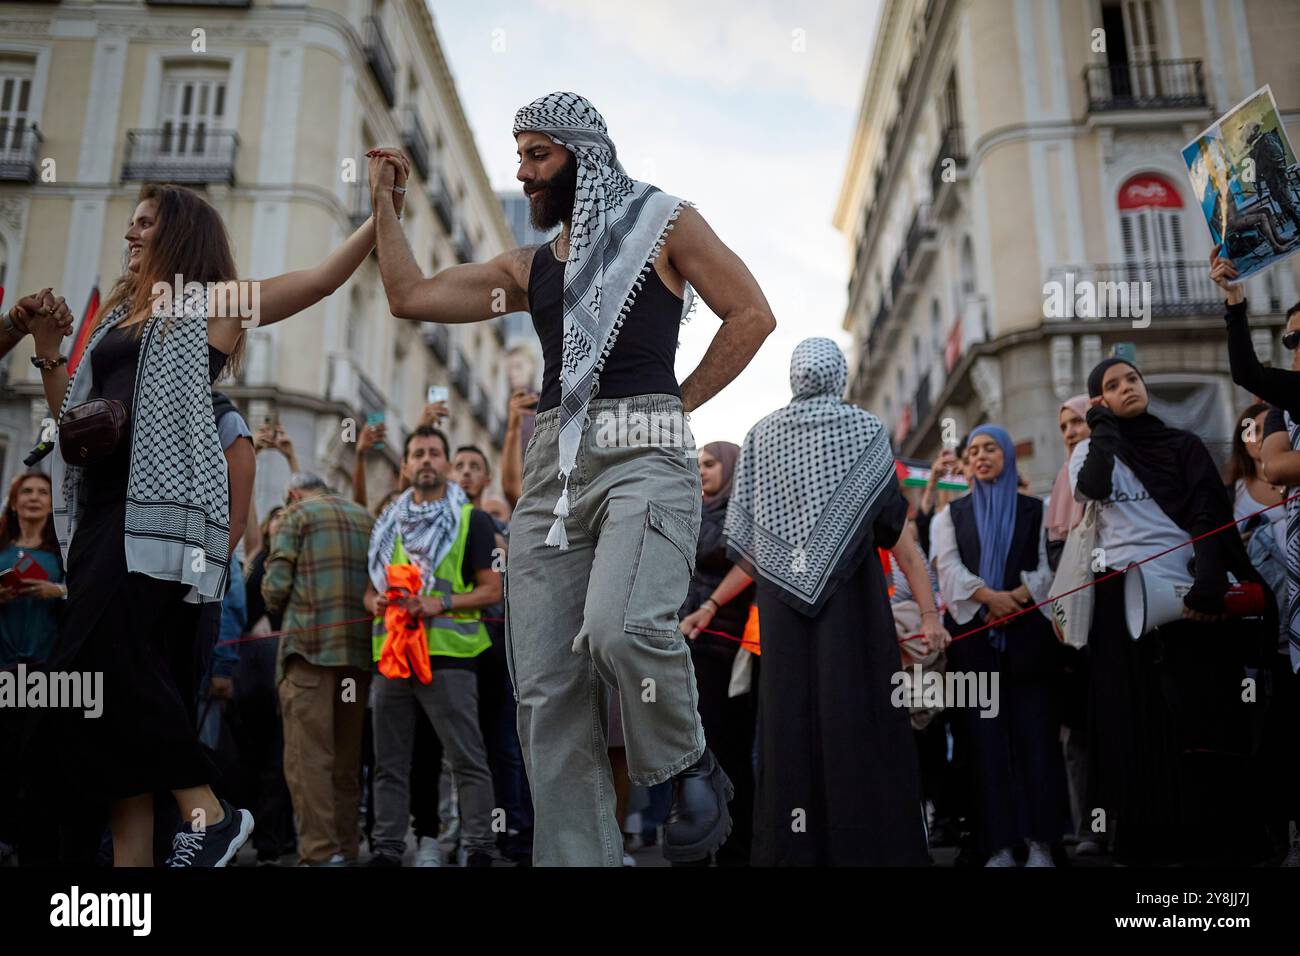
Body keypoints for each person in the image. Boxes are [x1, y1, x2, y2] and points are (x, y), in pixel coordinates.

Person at [367, 91, 775, 866]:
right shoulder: (526, 269)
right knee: (549, 695)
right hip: (553, 466)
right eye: (518, 156)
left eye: (537, 155)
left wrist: (677, 402)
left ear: (584, 155)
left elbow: (751, 313)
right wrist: (386, 206)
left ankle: (688, 760)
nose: (521, 174)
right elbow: (408, 296)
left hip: (645, 453)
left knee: (621, 627)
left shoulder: (666, 223)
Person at [30, 179, 387, 867]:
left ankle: (209, 811)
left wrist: (381, 215)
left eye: (143, 224)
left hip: (160, 532)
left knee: (101, 668)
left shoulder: (208, 307)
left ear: (177, 235)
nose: (129, 235)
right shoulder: (112, 324)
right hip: (101, 517)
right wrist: (50, 348)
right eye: (130, 225)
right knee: (109, 716)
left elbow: (314, 283)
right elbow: (72, 427)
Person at [723, 337, 947, 865]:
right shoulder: (864, 427)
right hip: (855, 605)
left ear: (795, 376)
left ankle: (794, 852)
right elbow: (892, 524)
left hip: (781, 604)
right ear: (839, 375)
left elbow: (746, 537)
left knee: (788, 721)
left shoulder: (759, 435)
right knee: (860, 715)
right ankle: (871, 848)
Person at [1071, 356, 1273, 865]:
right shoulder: (1088, 451)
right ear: (1100, 402)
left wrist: (1208, 579)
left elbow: (1208, 511)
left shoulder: (1183, 445)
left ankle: (1212, 836)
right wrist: (1103, 436)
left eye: (1132, 379)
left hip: (1187, 591)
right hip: (1121, 597)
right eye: (1112, 386)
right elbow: (1093, 489)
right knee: (1133, 718)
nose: (1127, 388)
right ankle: (1143, 839)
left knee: (1198, 715)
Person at [930, 425, 1068, 867]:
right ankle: (1001, 845)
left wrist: (1017, 599)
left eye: (991, 448)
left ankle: (1042, 843)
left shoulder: (1037, 508)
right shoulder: (949, 516)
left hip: (1029, 640)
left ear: (1008, 455)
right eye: (974, 450)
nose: (982, 456)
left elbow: (1052, 566)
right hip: (976, 645)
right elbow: (947, 570)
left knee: (1037, 740)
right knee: (984, 744)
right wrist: (989, 599)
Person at [363, 426, 501, 867]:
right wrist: (377, 601)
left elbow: (492, 589)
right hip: (392, 657)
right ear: (405, 466)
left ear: (445, 463)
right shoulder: (387, 524)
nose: (426, 459)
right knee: (389, 762)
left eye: (434, 453)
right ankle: (386, 849)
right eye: (418, 453)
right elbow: (368, 594)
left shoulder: (471, 520)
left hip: (450, 659)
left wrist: (438, 601)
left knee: (466, 758)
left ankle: (479, 846)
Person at [1214, 253, 1300, 864]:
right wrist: (1235, 299)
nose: (1296, 344)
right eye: (1291, 336)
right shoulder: (1286, 402)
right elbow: (1275, 465)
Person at [262, 472, 375, 866]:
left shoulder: (297, 514)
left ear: (293, 493)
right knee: (347, 760)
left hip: (309, 653)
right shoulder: (366, 517)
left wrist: (271, 599)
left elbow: (276, 587)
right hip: (357, 659)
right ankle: (345, 847)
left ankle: (320, 854)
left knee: (308, 760)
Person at [670, 441, 757, 865]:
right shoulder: (694, 510)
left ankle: (735, 851)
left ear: (731, 466)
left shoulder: (745, 513)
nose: (701, 470)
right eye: (697, 463)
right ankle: (697, 847)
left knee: (726, 752)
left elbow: (750, 562)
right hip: (689, 644)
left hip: (724, 648)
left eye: (710, 463)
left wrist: (710, 607)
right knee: (690, 751)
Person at [0, 471, 67, 864]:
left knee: (40, 764)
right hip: (4, 669)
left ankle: (37, 848)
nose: (34, 497)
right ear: (13, 501)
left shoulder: (63, 554)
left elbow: (85, 599)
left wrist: (56, 590)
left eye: (43, 491)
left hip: (48, 674)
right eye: (26, 491)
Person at [1246, 121, 1300, 233]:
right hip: (1272, 181)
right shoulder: (1258, 145)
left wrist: (1282, 176)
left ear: (1254, 132)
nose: (1245, 137)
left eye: (1247, 133)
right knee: (1284, 206)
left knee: (1289, 204)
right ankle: (1298, 225)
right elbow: (1259, 168)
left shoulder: (1267, 140)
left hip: (1278, 179)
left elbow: (1278, 158)